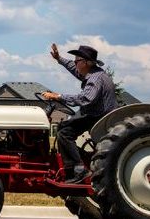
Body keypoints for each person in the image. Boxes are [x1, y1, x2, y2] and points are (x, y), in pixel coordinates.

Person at [42, 44, 117, 183]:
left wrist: (58, 96)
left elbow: (85, 99)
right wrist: (59, 58)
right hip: (95, 114)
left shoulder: (95, 79)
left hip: (99, 117)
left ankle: (78, 170)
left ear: (86, 62)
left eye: (77, 61)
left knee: (64, 133)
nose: (74, 63)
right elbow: (73, 69)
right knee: (63, 127)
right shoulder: (93, 73)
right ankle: (76, 162)